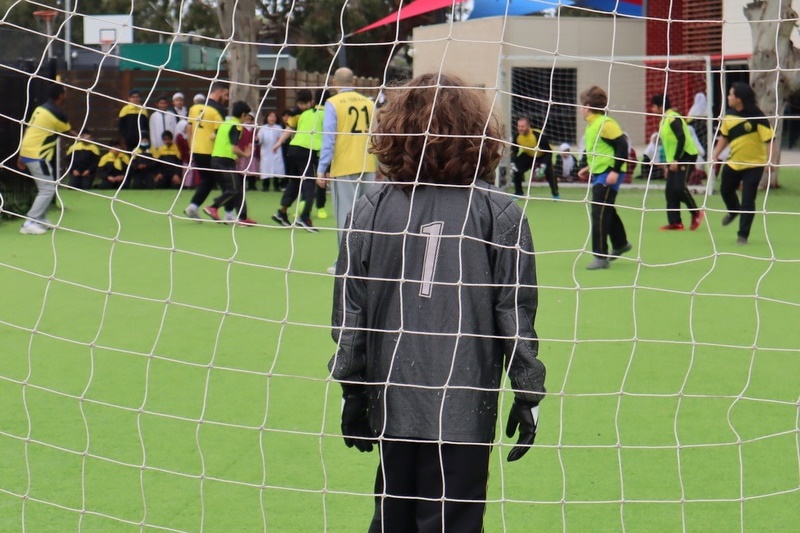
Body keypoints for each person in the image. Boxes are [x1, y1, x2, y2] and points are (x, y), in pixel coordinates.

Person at [327, 72, 546, 533]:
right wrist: (528, 393)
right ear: (478, 133)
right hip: (465, 405)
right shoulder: (500, 211)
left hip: (393, 400)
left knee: (392, 520)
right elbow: (515, 313)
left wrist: (352, 390)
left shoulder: (369, 208)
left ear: (394, 130)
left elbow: (351, 311)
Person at [316, 68, 378, 253]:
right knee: (368, 215)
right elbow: (377, 136)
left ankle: (344, 263)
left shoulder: (333, 103)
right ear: (354, 82)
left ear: (334, 82)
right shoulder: (369, 103)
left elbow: (329, 138)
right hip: (368, 164)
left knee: (346, 216)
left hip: (343, 166)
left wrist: (321, 168)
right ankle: (367, 262)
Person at [711, 82, 775, 245]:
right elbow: (724, 137)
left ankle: (743, 235)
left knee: (748, 199)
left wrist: (770, 161)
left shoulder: (758, 117)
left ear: (739, 99)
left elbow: (769, 140)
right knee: (725, 190)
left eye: (731, 94)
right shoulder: (729, 115)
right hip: (733, 163)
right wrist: (715, 155)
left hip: (755, 165)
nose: (728, 97)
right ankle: (733, 210)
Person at [577, 85, 632, 270]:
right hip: (602, 172)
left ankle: (600, 256)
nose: (580, 109)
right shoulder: (593, 124)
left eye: (581, 105)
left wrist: (615, 171)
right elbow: (602, 150)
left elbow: (622, 146)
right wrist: (588, 167)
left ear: (587, 106)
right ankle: (621, 243)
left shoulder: (605, 123)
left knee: (599, 212)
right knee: (606, 209)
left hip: (609, 174)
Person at [16, 83, 76, 234]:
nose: (66, 95)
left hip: (28, 152)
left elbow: (29, 131)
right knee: (47, 190)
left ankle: (40, 219)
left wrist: (21, 155)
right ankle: (29, 222)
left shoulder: (40, 109)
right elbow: (68, 132)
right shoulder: (57, 113)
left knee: (47, 188)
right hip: (38, 156)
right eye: (65, 92)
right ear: (61, 95)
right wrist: (84, 139)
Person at [270, 89, 322, 232]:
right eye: (300, 104)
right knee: (310, 184)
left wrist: (279, 143)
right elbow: (289, 128)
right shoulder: (321, 114)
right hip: (307, 151)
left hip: (293, 150)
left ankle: (281, 212)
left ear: (312, 102)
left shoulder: (302, 114)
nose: (303, 106)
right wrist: (279, 142)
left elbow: (290, 127)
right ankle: (304, 218)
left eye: (305, 103)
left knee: (295, 183)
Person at [650, 94, 703, 231]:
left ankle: (696, 212)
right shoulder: (664, 120)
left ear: (661, 106)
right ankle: (675, 222)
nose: (652, 109)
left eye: (654, 106)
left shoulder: (673, 118)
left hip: (685, 156)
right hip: (674, 158)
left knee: (679, 187)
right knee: (670, 191)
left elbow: (681, 138)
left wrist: (676, 159)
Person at [182, 81, 229, 219]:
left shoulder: (194, 107)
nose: (226, 98)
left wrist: (191, 147)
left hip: (196, 150)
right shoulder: (218, 110)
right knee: (227, 182)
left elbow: (189, 129)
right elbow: (219, 133)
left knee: (208, 180)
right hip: (212, 152)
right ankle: (228, 213)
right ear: (218, 92)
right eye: (225, 94)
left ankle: (193, 206)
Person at [207, 100, 256, 226]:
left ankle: (242, 218)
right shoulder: (237, 126)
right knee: (234, 189)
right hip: (225, 161)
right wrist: (245, 154)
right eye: (247, 116)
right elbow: (234, 148)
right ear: (243, 114)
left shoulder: (224, 124)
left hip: (215, 159)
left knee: (238, 189)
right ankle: (213, 207)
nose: (247, 119)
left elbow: (211, 137)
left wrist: (222, 146)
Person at [511, 117, 558, 198]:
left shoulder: (538, 135)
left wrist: (543, 166)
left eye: (522, 126)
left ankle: (555, 194)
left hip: (542, 156)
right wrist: (513, 163)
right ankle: (519, 192)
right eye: (518, 126)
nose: (520, 128)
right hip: (528, 155)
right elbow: (514, 151)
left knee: (550, 173)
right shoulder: (517, 136)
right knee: (517, 171)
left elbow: (548, 152)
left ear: (528, 126)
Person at [257, 110, 285, 192]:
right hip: (266, 151)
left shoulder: (278, 128)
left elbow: (282, 139)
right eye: (270, 116)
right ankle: (265, 185)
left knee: (277, 169)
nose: (272, 118)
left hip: (276, 151)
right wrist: (257, 139)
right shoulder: (263, 128)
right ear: (267, 118)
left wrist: (279, 142)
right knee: (266, 168)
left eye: (274, 117)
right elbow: (259, 139)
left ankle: (276, 186)